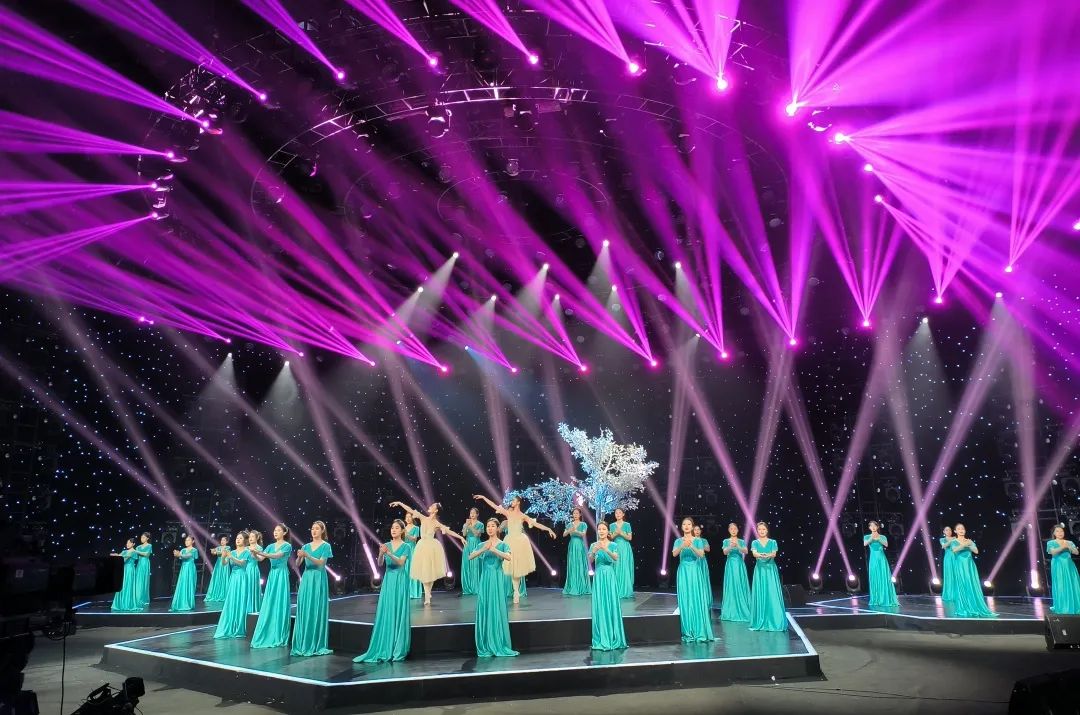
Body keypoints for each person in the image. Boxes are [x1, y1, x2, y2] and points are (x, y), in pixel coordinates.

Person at [473, 494, 556, 604]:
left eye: (513, 500)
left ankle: (516, 591)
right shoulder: (509, 513)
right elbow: (494, 505)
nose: (511, 502)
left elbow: (536, 524)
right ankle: (512, 590)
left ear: (518, 502)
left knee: (517, 568)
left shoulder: (523, 516)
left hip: (520, 542)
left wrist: (549, 529)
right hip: (510, 541)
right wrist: (484, 498)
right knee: (510, 566)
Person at [355, 520, 413, 662]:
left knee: (398, 609)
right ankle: (385, 644)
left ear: (402, 531)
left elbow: (401, 562)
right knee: (388, 609)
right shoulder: (386, 545)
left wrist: (389, 553)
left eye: (397, 528)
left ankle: (398, 646)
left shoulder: (406, 546)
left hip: (400, 580)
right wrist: (381, 554)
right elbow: (380, 563)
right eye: (392, 528)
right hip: (388, 580)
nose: (393, 530)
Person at [389, 501, 466, 605]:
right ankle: (427, 595)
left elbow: (449, 531)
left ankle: (427, 594)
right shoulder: (423, 518)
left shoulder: (436, 523)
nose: (430, 506)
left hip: (432, 547)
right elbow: (410, 510)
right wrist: (400, 503)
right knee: (424, 572)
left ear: (436, 510)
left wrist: (461, 537)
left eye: (432, 506)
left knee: (431, 572)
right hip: (422, 547)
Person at [470, 518, 518, 657]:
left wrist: (494, 549)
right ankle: (486, 642)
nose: (490, 528)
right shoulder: (482, 544)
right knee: (485, 606)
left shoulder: (503, 544)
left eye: (492, 526)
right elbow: (470, 556)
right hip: (485, 579)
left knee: (496, 606)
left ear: (497, 528)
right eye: (488, 526)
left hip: (497, 579)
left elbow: (508, 557)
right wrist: (484, 549)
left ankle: (498, 641)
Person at [291, 521, 334, 656]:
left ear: (322, 531)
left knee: (316, 607)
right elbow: (297, 564)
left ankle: (315, 642)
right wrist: (299, 557)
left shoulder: (325, 546)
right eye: (312, 528)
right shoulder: (305, 546)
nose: (314, 531)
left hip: (318, 578)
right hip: (307, 579)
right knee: (305, 607)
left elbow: (321, 563)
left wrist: (307, 555)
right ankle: (303, 640)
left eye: (317, 529)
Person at [251, 524, 294, 649]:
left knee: (279, 600)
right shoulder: (270, 546)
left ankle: (278, 631)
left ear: (284, 532)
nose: (275, 532)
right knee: (270, 601)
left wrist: (260, 553)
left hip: (281, 574)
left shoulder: (287, 545)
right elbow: (260, 559)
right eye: (275, 530)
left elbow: (277, 556)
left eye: (278, 530)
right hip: (273, 575)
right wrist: (254, 554)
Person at [674, 518, 714, 642]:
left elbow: (701, 554)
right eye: (684, 524)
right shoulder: (678, 541)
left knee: (696, 597)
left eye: (689, 524)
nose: (686, 526)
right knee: (685, 598)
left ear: (692, 527)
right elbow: (674, 554)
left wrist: (691, 545)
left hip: (695, 570)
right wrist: (682, 545)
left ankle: (699, 629)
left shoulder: (698, 540)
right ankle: (687, 630)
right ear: (681, 527)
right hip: (683, 571)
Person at [589, 522, 627, 650]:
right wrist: (594, 552)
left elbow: (616, 558)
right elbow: (590, 560)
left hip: (610, 575)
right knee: (600, 603)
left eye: (604, 529)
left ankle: (613, 635)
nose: (601, 531)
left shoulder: (613, 545)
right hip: (599, 575)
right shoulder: (593, 545)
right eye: (599, 529)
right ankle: (601, 636)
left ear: (608, 531)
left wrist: (605, 549)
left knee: (611, 602)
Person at [949, 524, 996, 618]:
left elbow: (976, 551)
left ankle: (975, 606)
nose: (961, 530)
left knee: (971, 584)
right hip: (960, 566)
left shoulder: (969, 541)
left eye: (963, 528)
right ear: (955, 531)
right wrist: (964, 545)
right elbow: (954, 550)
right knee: (963, 584)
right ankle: (964, 607)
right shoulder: (953, 541)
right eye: (959, 529)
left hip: (970, 566)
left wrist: (969, 545)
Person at [214, 531, 253, 639]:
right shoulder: (233, 552)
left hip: (242, 578)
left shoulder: (247, 552)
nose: (238, 540)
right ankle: (229, 625)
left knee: (240, 601)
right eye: (237, 538)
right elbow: (224, 564)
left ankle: (238, 627)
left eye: (240, 538)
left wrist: (231, 556)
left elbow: (242, 563)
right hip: (233, 578)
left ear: (245, 540)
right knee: (231, 600)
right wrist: (223, 557)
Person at [749, 522, 787, 631]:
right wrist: (762, 555)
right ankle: (761, 619)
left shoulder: (772, 542)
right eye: (760, 529)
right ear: (757, 531)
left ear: (767, 530)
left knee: (772, 593)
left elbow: (774, 554)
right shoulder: (755, 542)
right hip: (760, 571)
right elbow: (754, 554)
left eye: (763, 529)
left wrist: (766, 555)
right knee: (761, 592)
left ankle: (775, 620)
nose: (762, 531)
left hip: (770, 570)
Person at [864, 521, 899, 608]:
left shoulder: (882, 536)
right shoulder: (867, 536)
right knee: (875, 577)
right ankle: (876, 599)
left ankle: (886, 598)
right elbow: (865, 544)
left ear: (877, 527)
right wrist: (872, 537)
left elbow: (886, 544)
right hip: (873, 559)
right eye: (871, 526)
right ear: (869, 528)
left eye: (874, 526)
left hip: (882, 559)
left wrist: (878, 538)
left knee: (884, 576)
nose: (873, 527)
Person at [720, 523, 751, 622]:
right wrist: (730, 546)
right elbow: (725, 552)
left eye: (735, 529)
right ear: (729, 530)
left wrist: (738, 545)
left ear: (737, 530)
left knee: (739, 583)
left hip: (739, 565)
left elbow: (746, 551)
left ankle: (743, 608)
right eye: (731, 529)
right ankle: (731, 609)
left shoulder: (741, 541)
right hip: (730, 565)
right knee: (731, 584)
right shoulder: (726, 541)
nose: (733, 530)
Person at [1046, 525, 1080, 615]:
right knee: (1061, 585)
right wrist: (1063, 547)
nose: (1060, 533)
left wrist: (1069, 547)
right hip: (1058, 566)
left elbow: (1076, 552)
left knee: (1073, 585)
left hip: (1069, 566)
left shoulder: (1069, 542)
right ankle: (1063, 607)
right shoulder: (1051, 542)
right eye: (1057, 531)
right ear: (1054, 533)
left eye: (1061, 531)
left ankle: (1075, 606)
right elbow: (1053, 552)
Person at [562, 508, 591, 596]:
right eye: (574, 513)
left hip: (580, 545)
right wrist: (569, 530)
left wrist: (575, 531)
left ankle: (582, 587)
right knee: (573, 564)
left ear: (580, 514)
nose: (575, 515)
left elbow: (583, 534)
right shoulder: (569, 524)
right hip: (572, 544)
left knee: (580, 563)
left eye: (577, 513)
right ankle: (572, 586)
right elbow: (564, 534)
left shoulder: (583, 524)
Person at [610, 508, 635, 599]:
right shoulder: (612, 525)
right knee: (616, 567)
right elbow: (611, 537)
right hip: (615, 547)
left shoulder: (627, 525)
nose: (618, 514)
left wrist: (621, 532)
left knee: (624, 567)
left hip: (625, 548)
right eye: (616, 513)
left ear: (623, 514)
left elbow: (630, 538)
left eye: (620, 512)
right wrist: (616, 533)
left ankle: (626, 590)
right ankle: (616, 590)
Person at [109, 539, 140, 611]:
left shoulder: (134, 551)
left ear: (133, 544)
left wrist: (118, 556)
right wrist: (116, 555)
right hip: (123, 569)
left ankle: (127, 604)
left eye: (129, 543)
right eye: (127, 543)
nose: (127, 544)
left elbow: (124, 559)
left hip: (129, 570)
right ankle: (120, 604)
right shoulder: (124, 551)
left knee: (127, 585)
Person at [168, 536, 198, 612]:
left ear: (193, 541)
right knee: (182, 584)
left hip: (190, 569)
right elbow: (180, 556)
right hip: (184, 568)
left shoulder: (194, 550)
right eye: (186, 540)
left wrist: (179, 554)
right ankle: (180, 603)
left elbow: (188, 556)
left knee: (189, 584)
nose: (186, 541)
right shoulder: (183, 550)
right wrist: (176, 553)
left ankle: (188, 603)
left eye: (188, 540)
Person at [461, 508, 484, 596]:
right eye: (471, 513)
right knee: (467, 565)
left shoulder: (480, 524)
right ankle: (468, 587)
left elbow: (477, 534)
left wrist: (470, 526)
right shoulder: (466, 524)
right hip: (468, 545)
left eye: (474, 513)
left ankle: (476, 587)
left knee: (476, 565)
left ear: (477, 514)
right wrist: (466, 525)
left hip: (476, 544)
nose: (472, 514)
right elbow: (464, 534)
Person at [204, 535, 231, 603]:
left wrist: (216, 552)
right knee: (217, 577)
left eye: (224, 540)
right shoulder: (218, 547)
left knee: (224, 578)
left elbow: (223, 553)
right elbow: (213, 553)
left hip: (224, 564)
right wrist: (213, 551)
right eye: (221, 540)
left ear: (227, 541)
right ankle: (215, 593)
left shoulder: (228, 547)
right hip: (218, 565)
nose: (222, 541)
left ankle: (223, 594)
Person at [692, 524, 713, 607]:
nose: (697, 531)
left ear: (700, 531)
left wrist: (699, 543)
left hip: (702, 561)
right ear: (693, 531)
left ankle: (705, 599)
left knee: (703, 578)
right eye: (695, 530)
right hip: (694, 561)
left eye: (698, 530)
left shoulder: (704, 540)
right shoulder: (691, 540)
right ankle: (695, 599)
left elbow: (708, 549)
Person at [404, 514, 423, 600]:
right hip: (404, 550)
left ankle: (414, 592)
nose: (408, 518)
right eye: (406, 517)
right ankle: (406, 592)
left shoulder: (416, 528)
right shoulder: (403, 528)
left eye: (409, 517)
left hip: (412, 549)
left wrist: (406, 534)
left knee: (413, 569)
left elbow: (414, 539)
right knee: (405, 570)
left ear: (412, 518)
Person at [246, 530, 265, 613]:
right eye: (249, 537)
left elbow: (259, 559)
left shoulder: (259, 548)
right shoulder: (246, 547)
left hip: (253, 569)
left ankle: (253, 606)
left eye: (252, 536)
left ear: (257, 538)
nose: (250, 538)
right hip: (245, 569)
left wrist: (254, 553)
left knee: (253, 587)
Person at [133, 532, 153, 608]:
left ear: (147, 538)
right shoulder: (138, 547)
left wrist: (136, 551)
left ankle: (143, 598)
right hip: (139, 564)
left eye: (144, 537)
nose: (142, 539)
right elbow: (134, 555)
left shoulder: (149, 545)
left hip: (145, 564)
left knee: (144, 580)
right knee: (138, 580)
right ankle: (137, 597)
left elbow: (146, 554)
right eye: (141, 537)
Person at [939, 526, 958, 601]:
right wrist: (952, 540)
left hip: (956, 558)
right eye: (946, 530)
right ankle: (949, 594)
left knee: (956, 575)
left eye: (950, 530)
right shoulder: (942, 539)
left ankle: (958, 594)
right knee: (949, 575)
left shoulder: (956, 539)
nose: (949, 531)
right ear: (944, 532)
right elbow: (944, 546)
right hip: (948, 558)